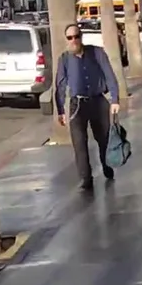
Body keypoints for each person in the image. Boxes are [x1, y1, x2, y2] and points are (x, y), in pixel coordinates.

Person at [54, 22, 121, 190]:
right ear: (66, 39)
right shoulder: (64, 59)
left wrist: (115, 99)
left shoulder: (97, 53)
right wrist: (61, 110)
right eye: (70, 38)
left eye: (76, 36)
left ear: (81, 37)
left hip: (98, 101)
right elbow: (60, 85)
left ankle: (107, 166)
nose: (73, 40)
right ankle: (86, 178)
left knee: (103, 139)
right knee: (79, 143)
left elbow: (109, 75)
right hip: (77, 105)